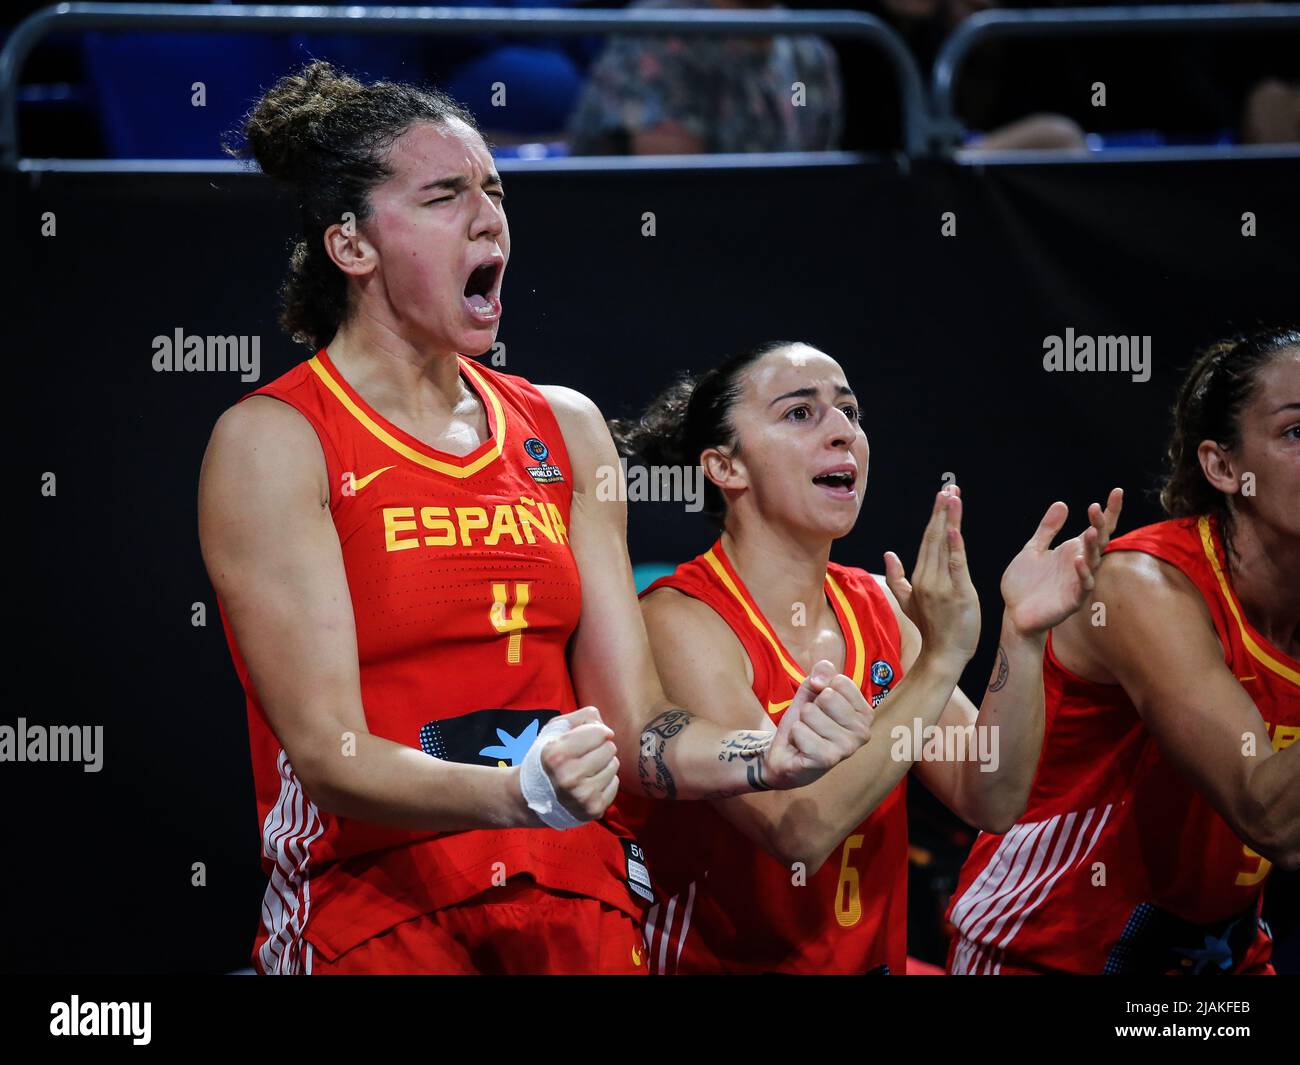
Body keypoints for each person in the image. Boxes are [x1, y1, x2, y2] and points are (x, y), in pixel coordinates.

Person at [199, 62, 885, 975]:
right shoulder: (275, 440)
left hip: (575, 892)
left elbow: (638, 730)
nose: (489, 218)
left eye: (494, 190)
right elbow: (331, 753)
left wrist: (769, 751)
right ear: (352, 246)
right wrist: (513, 792)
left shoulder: (565, 428)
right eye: (445, 196)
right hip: (374, 904)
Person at [608, 339, 1122, 972]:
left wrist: (1023, 633)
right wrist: (939, 660)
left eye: (850, 412)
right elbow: (795, 834)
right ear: (725, 467)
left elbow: (991, 796)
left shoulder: (877, 605)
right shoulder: (680, 620)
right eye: (801, 413)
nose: (843, 433)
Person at [947, 326, 1300, 975]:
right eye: (1296, 431)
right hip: (1046, 950)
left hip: (1213, 958)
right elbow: (1272, 815)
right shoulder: (1143, 586)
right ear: (1223, 467)